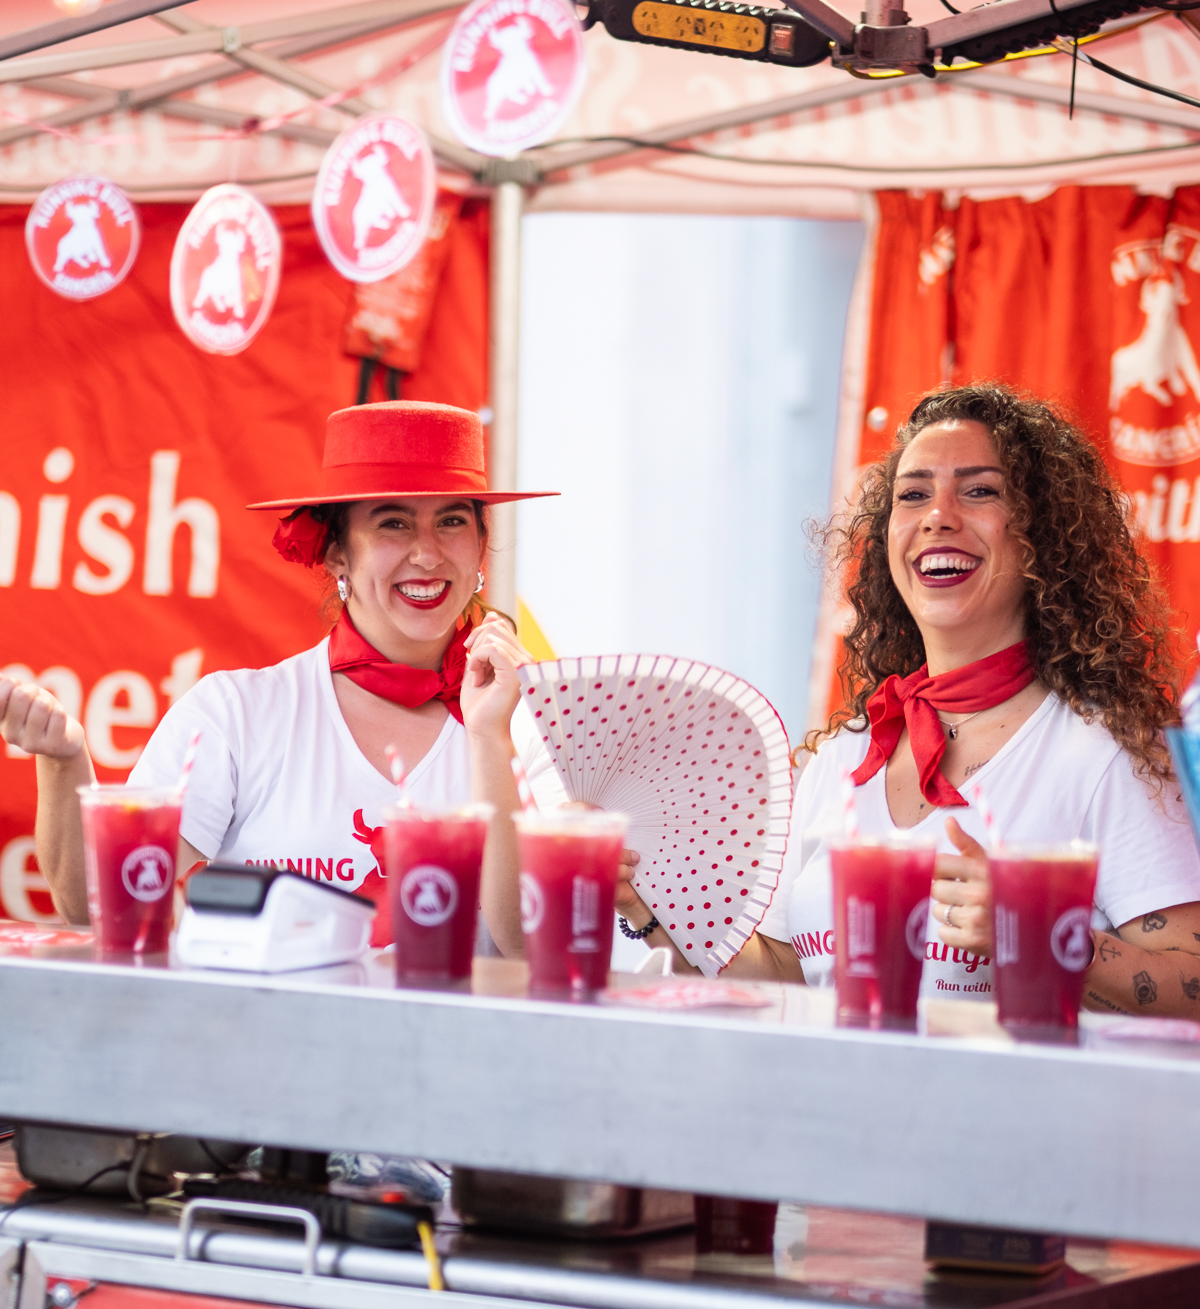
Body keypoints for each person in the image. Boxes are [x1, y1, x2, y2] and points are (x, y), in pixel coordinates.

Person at [616, 383, 1200, 1017]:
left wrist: (1043, 930)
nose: (937, 515)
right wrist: (651, 906)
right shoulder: (840, 759)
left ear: (1043, 536)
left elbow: (1190, 985)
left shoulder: (1105, 753)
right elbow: (786, 979)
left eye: (980, 490)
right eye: (912, 494)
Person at [0, 400, 561, 954]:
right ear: (337, 553)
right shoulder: (236, 713)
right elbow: (100, 907)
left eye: (452, 521)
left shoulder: (530, 727)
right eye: (393, 522)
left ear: (480, 545)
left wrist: (491, 738)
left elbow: (533, 949)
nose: (427, 551)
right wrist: (64, 760)